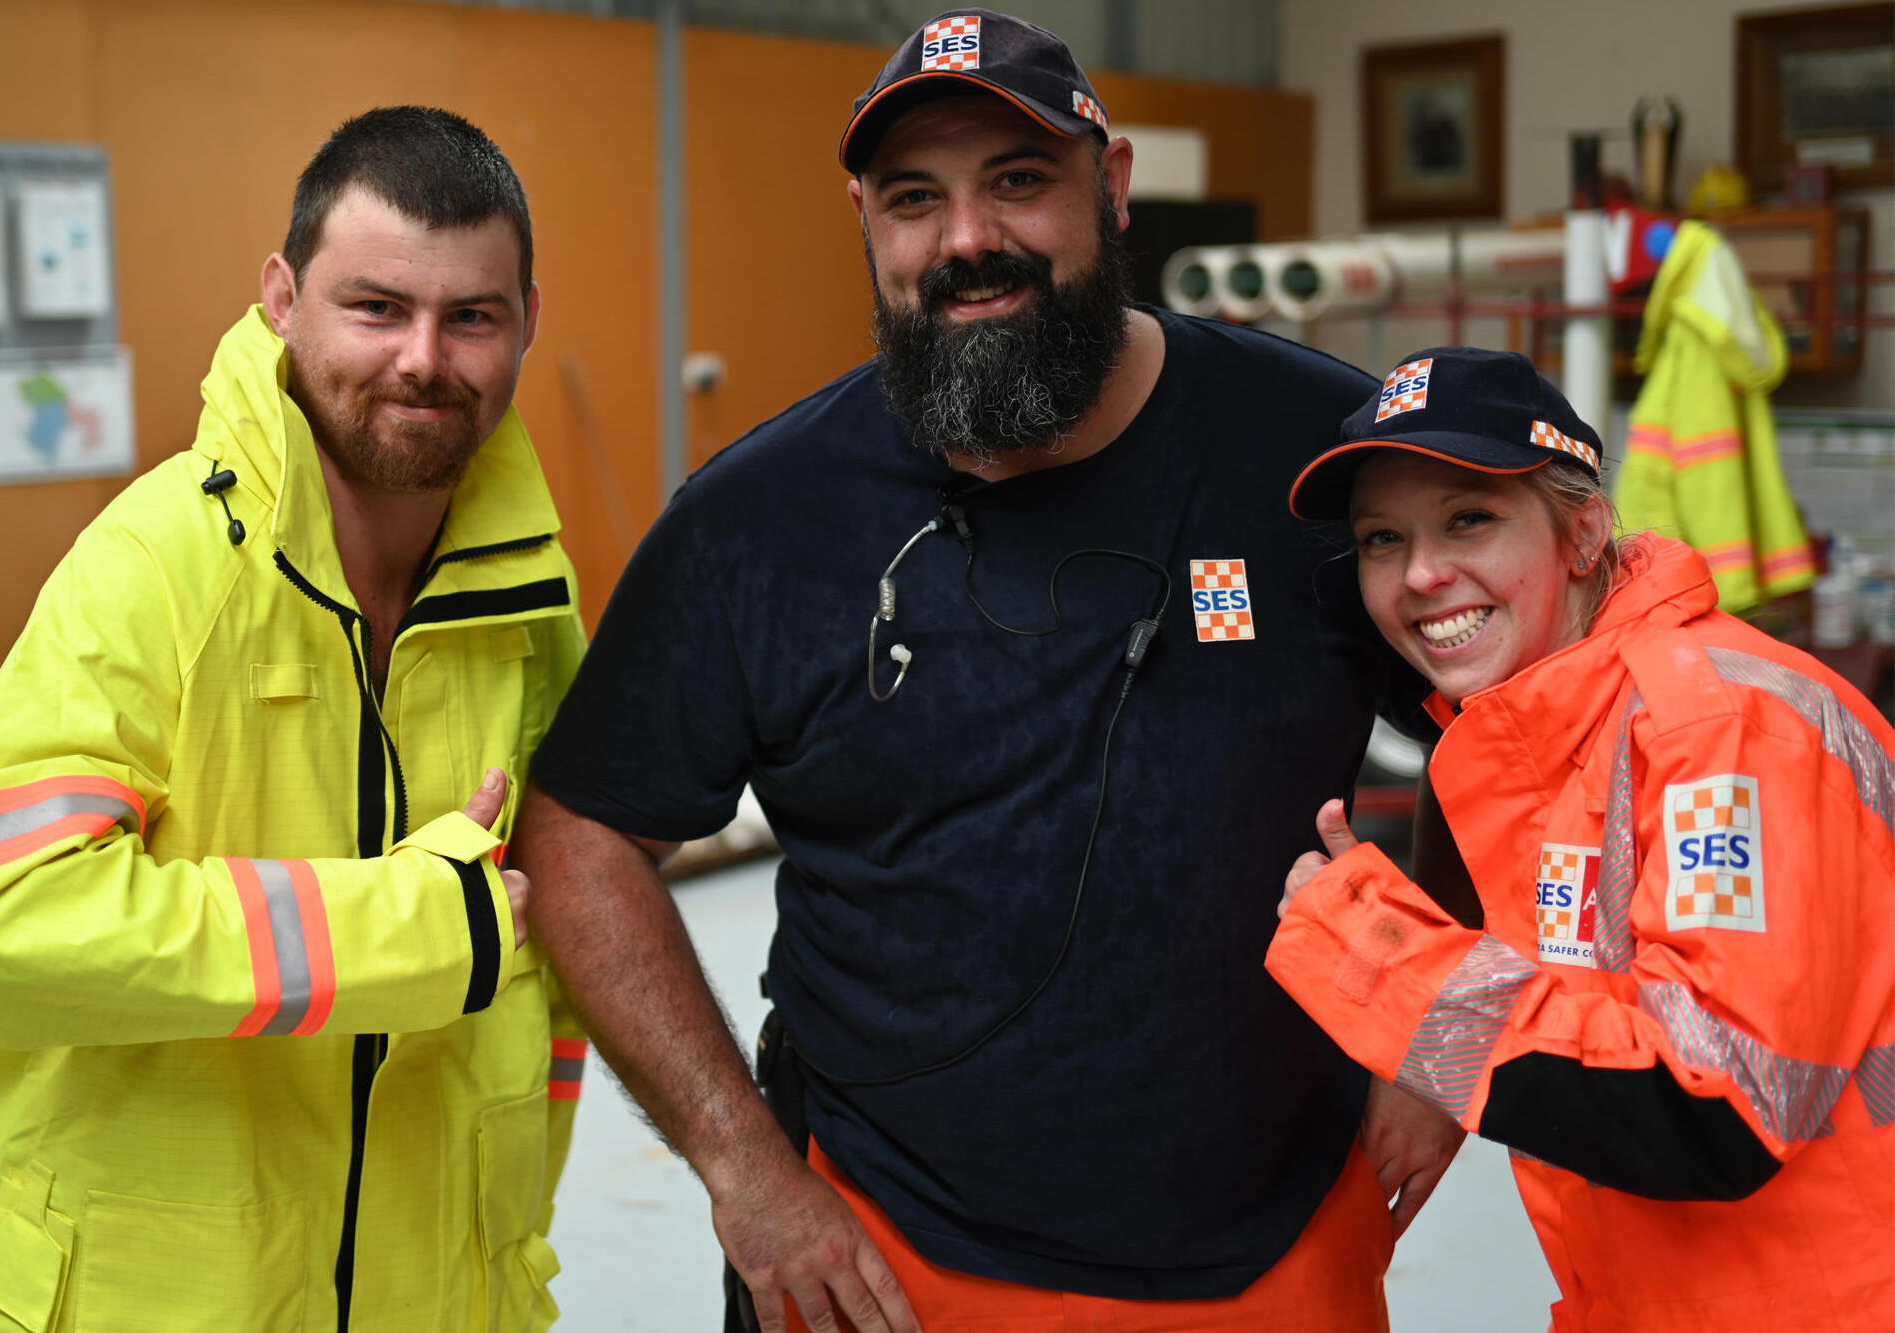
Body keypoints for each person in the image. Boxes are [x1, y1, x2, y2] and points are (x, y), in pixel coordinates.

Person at [519, 11, 1457, 1331]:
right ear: (866, 221)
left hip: (1274, 1248)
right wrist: (745, 1173)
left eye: (1019, 181)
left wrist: (1448, 1038)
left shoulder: (1316, 456)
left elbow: (1526, 720)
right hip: (886, 1263)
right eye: (917, 200)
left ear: (1112, 185)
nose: (967, 241)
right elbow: (579, 836)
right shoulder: (759, 520)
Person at [0, 107, 589, 1332]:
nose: (422, 358)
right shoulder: (158, 563)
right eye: (374, 307)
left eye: (469, 316)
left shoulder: (529, 601)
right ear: (280, 299)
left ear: (527, 320)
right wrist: (403, 925)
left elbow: (548, 982)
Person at [1268, 346, 1894, 1332]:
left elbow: (1710, 1112)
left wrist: (1390, 972)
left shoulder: (1713, 729)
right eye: (1382, 538)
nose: (1423, 574)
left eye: (1467, 518)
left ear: (1582, 530)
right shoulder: (1543, 737)